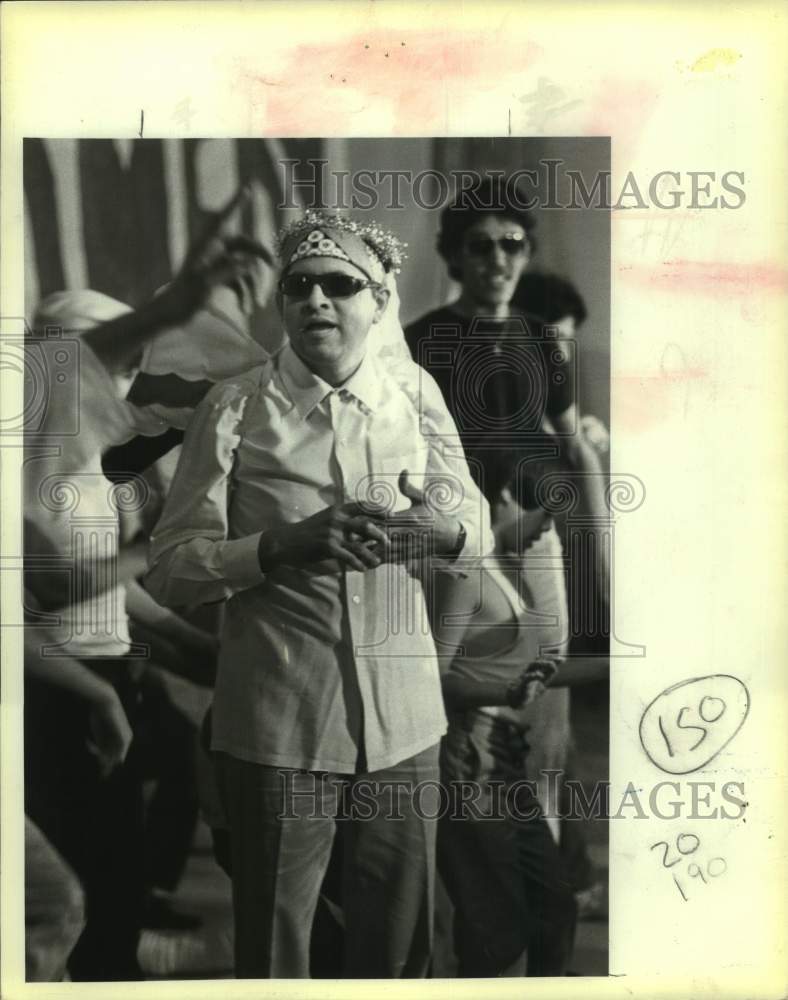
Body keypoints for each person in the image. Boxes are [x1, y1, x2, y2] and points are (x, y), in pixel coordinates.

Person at [145, 209, 494, 979]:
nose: (315, 300)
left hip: (405, 723)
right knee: (278, 952)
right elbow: (169, 568)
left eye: (340, 285)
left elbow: (476, 528)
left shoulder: (414, 395)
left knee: (398, 954)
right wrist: (278, 547)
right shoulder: (235, 407)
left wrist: (439, 533)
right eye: (298, 286)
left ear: (379, 300)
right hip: (281, 726)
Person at [23, 191, 270, 978]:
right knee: (83, 889)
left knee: (110, 875)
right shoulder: (37, 457)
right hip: (57, 692)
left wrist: (202, 652)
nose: (128, 378)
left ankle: (122, 953)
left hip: (98, 677)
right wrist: (149, 557)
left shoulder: (82, 467)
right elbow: (52, 592)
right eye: (118, 362)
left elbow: (107, 598)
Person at [404, 175, 608, 970]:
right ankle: (472, 908)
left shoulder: (540, 339)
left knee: (541, 677)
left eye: (512, 244)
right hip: (460, 541)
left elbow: (570, 439)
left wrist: (595, 544)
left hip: (535, 532)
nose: (498, 258)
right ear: (453, 255)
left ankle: (537, 871)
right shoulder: (420, 340)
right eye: (482, 245)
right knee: (469, 700)